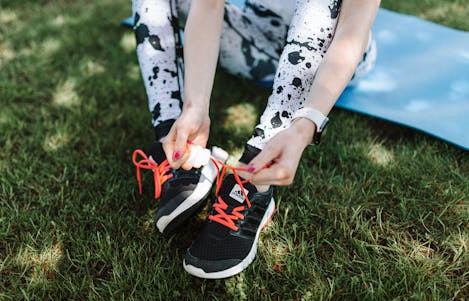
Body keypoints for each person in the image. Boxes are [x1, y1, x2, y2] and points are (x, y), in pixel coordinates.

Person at [131, 0, 379, 279]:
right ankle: (176, 144)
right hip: (257, 44)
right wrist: (195, 107)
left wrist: (304, 126)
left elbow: (352, 30)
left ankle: (254, 173)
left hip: (329, 54)